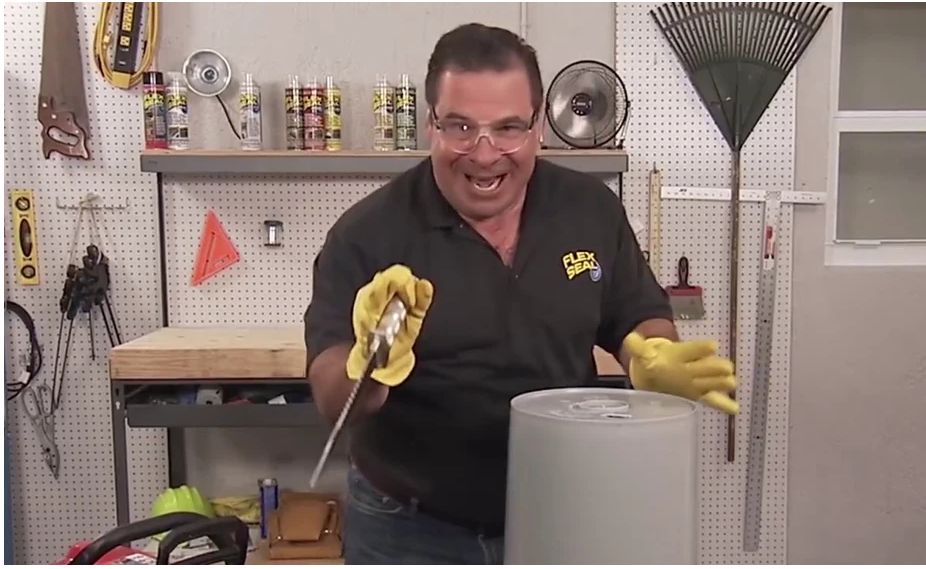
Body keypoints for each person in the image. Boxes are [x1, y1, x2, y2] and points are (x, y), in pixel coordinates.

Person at [303, 23, 738, 565]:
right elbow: (332, 400)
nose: (485, 154)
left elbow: (638, 314)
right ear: (431, 125)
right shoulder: (368, 234)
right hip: (411, 529)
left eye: (508, 127)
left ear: (538, 128)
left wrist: (654, 356)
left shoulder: (589, 210)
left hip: (563, 506)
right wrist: (371, 363)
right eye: (461, 126)